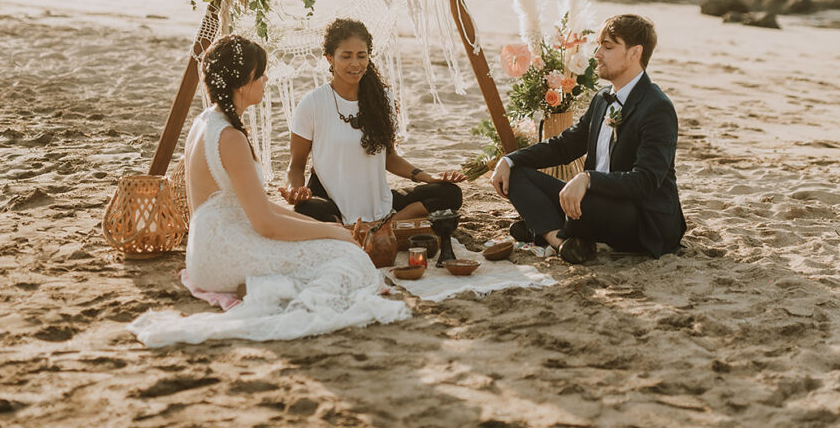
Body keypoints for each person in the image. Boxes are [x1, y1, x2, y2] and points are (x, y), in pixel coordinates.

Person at [128, 34, 408, 346]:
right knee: (348, 258)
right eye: (260, 74)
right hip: (222, 253)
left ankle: (267, 283)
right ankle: (268, 289)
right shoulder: (230, 137)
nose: (265, 79)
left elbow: (259, 207)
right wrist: (332, 234)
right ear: (243, 80)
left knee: (341, 246)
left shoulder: (207, 119)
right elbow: (267, 225)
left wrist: (325, 227)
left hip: (209, 246)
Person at [490, 14, 686, 264]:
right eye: (598, 45)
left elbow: (645, 181)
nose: (597, 54)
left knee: (581, 203)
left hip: (640, 217)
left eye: (608, 47)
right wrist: (509, 159)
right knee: (518, 174)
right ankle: (559, 240)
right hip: (594, 202)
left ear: (635, 53)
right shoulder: (602, 98)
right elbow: (564, 146)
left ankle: (542, 226)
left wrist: (589, 179)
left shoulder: (657, 107)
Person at [282, 18, 465, 227]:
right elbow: (295, 166)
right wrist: (296, 191)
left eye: (362, 55)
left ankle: (379, 227)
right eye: (346, 56)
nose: (355, 64)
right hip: (330, 200)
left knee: (450, 193)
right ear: (330, 58)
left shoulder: (381, 98)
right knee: (306, 210)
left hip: (378, 201)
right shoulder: (312, 103)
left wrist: (427, 177)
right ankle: (358, 228)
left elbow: (389, 157)